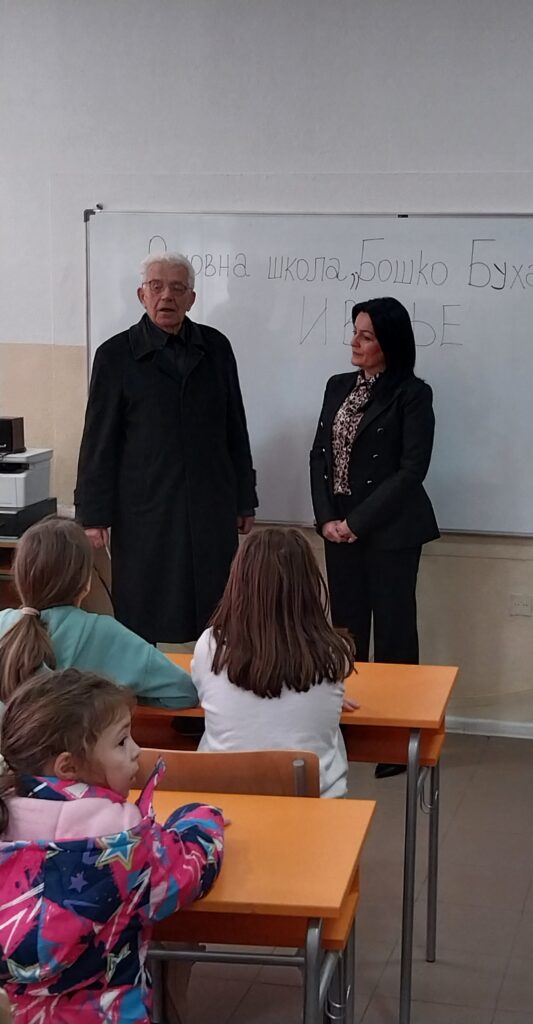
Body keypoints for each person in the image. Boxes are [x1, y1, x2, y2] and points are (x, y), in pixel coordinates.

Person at [0, 669, 225, 1022]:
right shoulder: (123, 840)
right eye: (121, 742)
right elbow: (191, 869)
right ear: (69, 766)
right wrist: (202, 817)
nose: (136, 750)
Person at [74, 251, 257, 644]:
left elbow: (235, 428)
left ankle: (215, 682)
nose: (166, 296)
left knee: (219, 614)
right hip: (145, 512)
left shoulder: (216, 348)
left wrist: (245, 498)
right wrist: (93, 514)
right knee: (142, 615)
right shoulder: (115, 355)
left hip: (211, 507)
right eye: (156, 287)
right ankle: (144, 683)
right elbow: (99, 441)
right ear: (142, 295)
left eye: (177, 288)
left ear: (191, 298)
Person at [310, 297, 439, 777]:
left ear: (389, 343)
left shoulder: (412, 393)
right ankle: (345, 728)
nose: (355, 342)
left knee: (394, 631)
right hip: (339, 528)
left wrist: (357, 521)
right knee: (344, 631)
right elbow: (320, 456)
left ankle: (396, 739)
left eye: (366, 336)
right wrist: (327, 518)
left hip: (390, 529)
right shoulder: (337, 386)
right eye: (355, 332)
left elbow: (411, 470)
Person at [191, 527, 356, 797]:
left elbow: (208, 694)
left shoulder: (210, 645)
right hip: (313, 803)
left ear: (239, 580)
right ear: (309, 585)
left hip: (225, 799)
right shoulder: (333, 652)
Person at [0, 516, 197, 708]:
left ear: (19, 578)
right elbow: (184, 692)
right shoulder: (104, 632)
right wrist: (117, 699)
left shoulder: (4, 622)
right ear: (85, 582)